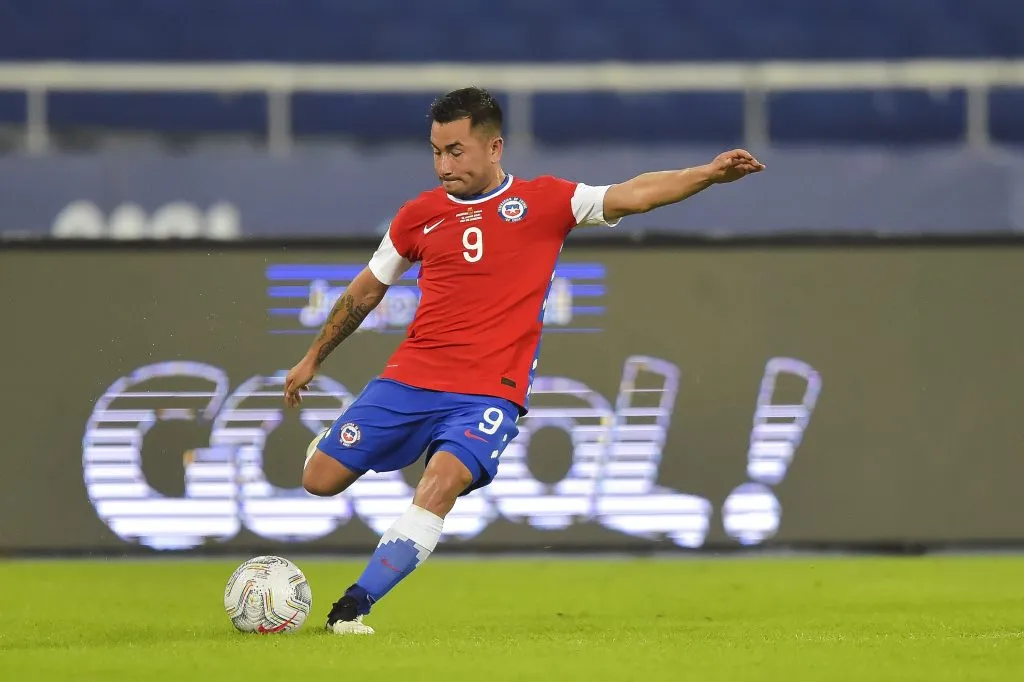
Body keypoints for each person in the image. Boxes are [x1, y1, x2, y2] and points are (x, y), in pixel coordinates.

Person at [283, 86, 764, 635]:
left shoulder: (546, 201)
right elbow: (366, 291)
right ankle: (332, 444)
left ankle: (353, 606)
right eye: (436, 152)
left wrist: (707, 174)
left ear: (494, 147)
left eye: (456, 151)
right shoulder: (418, 217)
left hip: (490, 393)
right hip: (411, 379)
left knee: (442, 482)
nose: (443, 165)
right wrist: (313, 357)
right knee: (319, 481)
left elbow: (633, 195)